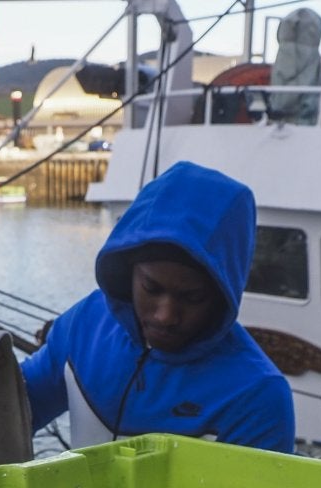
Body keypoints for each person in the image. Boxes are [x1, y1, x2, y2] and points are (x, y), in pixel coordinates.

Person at [19, 160, 295, 453]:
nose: (165, 316)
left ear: (221, 295)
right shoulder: (84, 325)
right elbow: (17, 404)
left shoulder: (256, 396)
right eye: (151, 288)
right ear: (128, 273)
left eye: (192, 298)